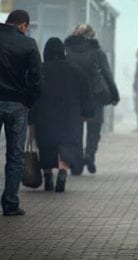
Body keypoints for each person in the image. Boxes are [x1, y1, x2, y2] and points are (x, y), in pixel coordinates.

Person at [32, 38, 94, 192]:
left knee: (46, 145)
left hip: (44, 116)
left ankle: (47, 177)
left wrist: (29, 117)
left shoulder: (39, 70)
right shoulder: (75, 70)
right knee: (67, 145)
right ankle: (62, 171)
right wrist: (87, 113)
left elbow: (31, 95)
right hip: (70, 116)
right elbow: (86, 94)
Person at [0, 10, 41, 216]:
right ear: (23, 25)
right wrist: (29, 102)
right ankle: (10, 203)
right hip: (17, 104)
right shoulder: (28, 44)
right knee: (15, 156)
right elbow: (36, 79)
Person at [65, 24, 120, 174]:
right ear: (92, 35)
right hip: (95, 96)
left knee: (75, 130)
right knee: (94, 129)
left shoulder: (68, 51)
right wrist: (114, 94)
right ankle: (89, 154)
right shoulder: (97, 52)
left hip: (74, 97)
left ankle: (76, 165)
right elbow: (107, 74)